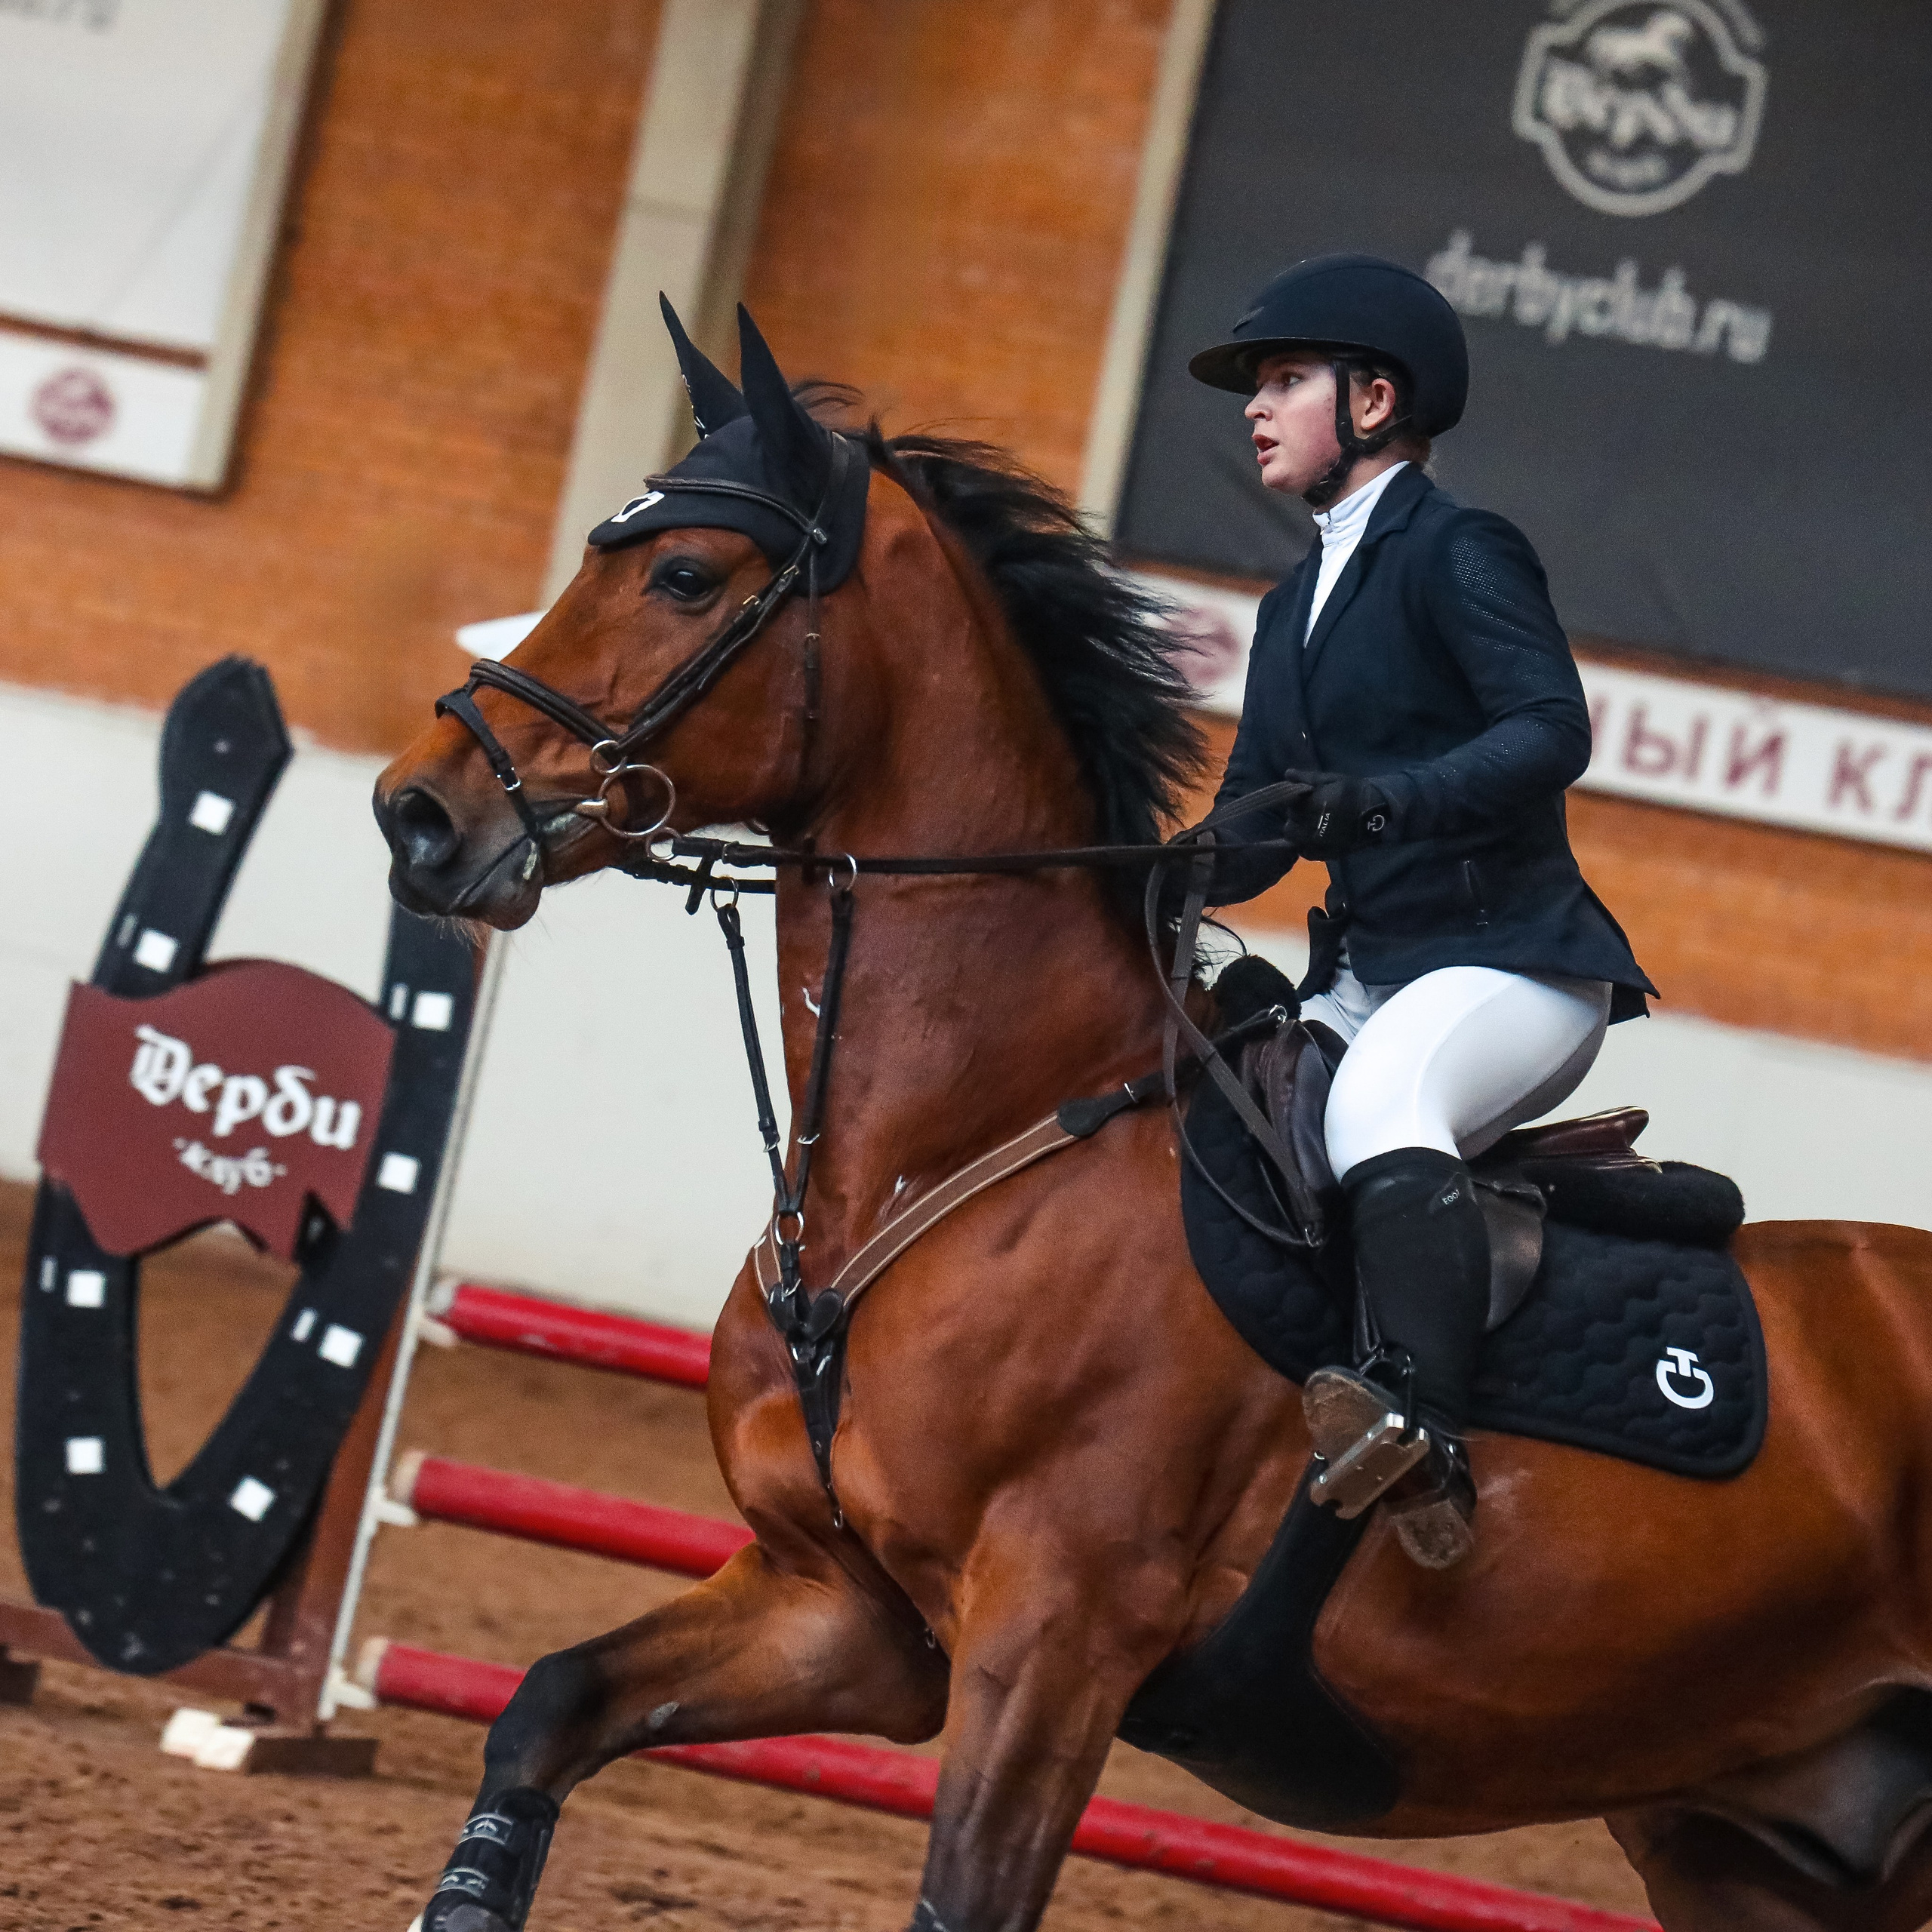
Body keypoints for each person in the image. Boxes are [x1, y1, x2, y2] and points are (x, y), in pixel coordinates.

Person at [1189, 252, 1654, 1568]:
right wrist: (1138, 867)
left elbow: (1549, 729)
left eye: (1286, 380)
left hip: (1514, 964)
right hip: (1374, 970)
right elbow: (1257, 829)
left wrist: (1381, 803)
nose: (1256, 406)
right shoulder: (1288, 610)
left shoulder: (1458, 549)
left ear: (1376, 400)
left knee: (1379, 1107)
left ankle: (1425, 1432)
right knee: (1230, 1126)